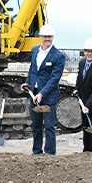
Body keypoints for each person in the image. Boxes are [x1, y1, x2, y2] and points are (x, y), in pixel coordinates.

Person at [21, 24, 65, 155]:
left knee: (50, 126)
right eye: (45, 36)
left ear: (53, 37)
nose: (47, 39)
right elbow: (33, 70)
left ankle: (50, 153)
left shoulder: (58, 56)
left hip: (48, 96)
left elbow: (54, 79)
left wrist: (42, 93)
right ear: (40, 37)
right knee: (36, 125)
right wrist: (28, 82)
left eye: (49, 36)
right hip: (34, 94)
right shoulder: (35, 50)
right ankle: (37, 152)